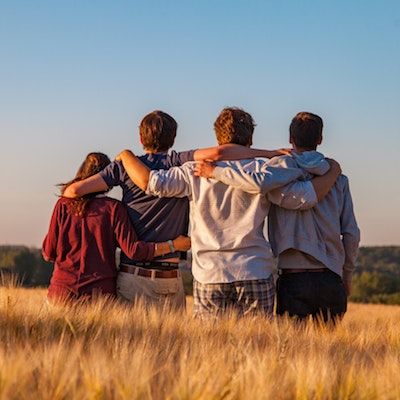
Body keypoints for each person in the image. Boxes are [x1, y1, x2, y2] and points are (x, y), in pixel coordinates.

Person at [115, 107, 341, 319]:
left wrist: (126, 155)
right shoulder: (264, 169)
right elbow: (302, 197)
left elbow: (152, 183)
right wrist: (332, 172)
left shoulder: (193, 170)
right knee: (258, 350)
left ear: (218, 138)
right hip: (255, 269)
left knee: (210, 351)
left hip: (210, 273)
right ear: (250, 139)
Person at [62, 110, 289, 308]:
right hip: (170, 276)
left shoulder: (124, 167)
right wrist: (269, 154)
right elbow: (220, 154)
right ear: (173, 138)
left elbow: (72, 192)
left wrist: (113, 200)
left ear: (141, 138)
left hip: (132, 275)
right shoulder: (178, 162)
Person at [197, 112, 360, 323]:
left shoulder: (276, 174)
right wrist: (347, 274)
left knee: (291, 352)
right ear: (320, 139)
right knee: (331, 353)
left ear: (290, 139)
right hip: (331, 277)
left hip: (293, 278)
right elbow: (351, 233)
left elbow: (257, 183)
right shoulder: (338, 179)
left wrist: (215, 172)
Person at [42, 152, 191, 303]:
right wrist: (174, 245)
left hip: (61, 293)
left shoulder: (63, 204)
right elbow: (134, 251)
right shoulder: (113, 209)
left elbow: (49, 252)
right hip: (99, 295)